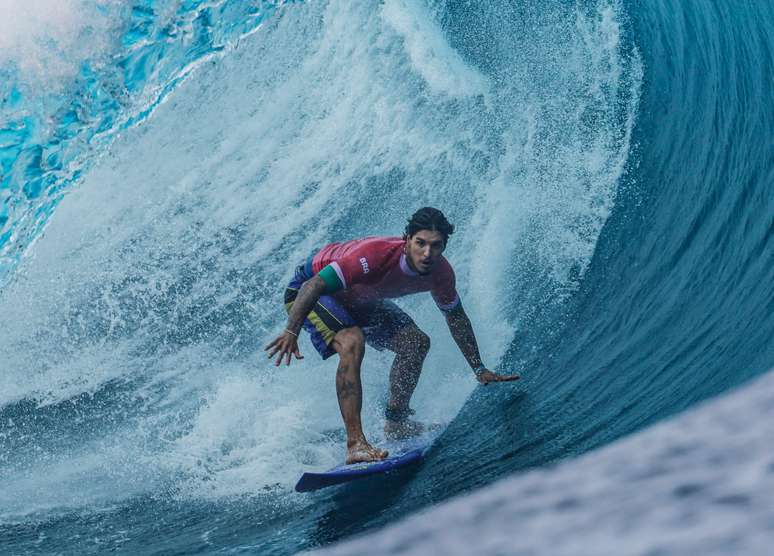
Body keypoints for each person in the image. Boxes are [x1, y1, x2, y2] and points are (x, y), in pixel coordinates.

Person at [265, 207, 519, 464]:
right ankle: (355, 444)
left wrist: (479, 368)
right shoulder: (374, 256)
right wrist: (291, 331)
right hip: (309, 291)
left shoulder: (441, 274)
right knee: (352, 341)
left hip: (360, 299)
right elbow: (314, 285)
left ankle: (396, 423)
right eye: (420, 243)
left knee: (416, 343)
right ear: (406, 240)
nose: (427, 253)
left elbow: (455, 317)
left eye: (436, 246)